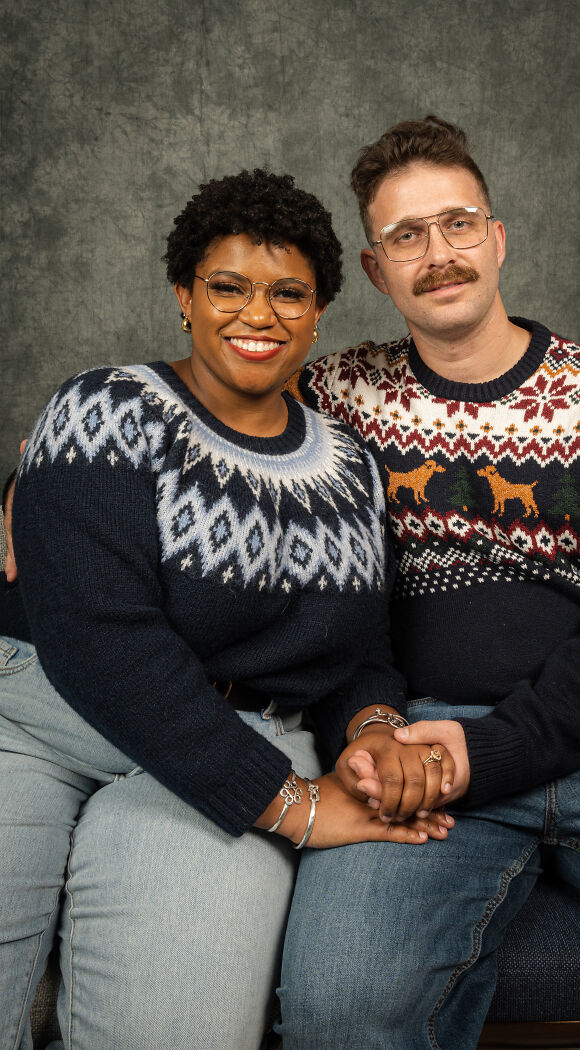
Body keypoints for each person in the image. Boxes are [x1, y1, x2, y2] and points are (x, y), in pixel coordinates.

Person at [0, 168, 454, 1050]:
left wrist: (371, 726)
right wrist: (297, 808)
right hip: (41, 719)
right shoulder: (103, 408)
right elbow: (101, 639)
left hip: (242, 737)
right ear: (184, 295)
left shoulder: (351, 469)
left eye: (289, 293)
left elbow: (356, 649)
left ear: (320, 310)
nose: (258, 314)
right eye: (228, 287)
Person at [278, 116, 580, 1048]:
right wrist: (35, 480)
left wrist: (496, 752)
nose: (439, 254)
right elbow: (202, 418)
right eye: (406, 236)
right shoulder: (333, 400)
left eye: (458, 223)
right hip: (418, 741)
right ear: (376, 267)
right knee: (339, 1007)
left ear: (498, 237)